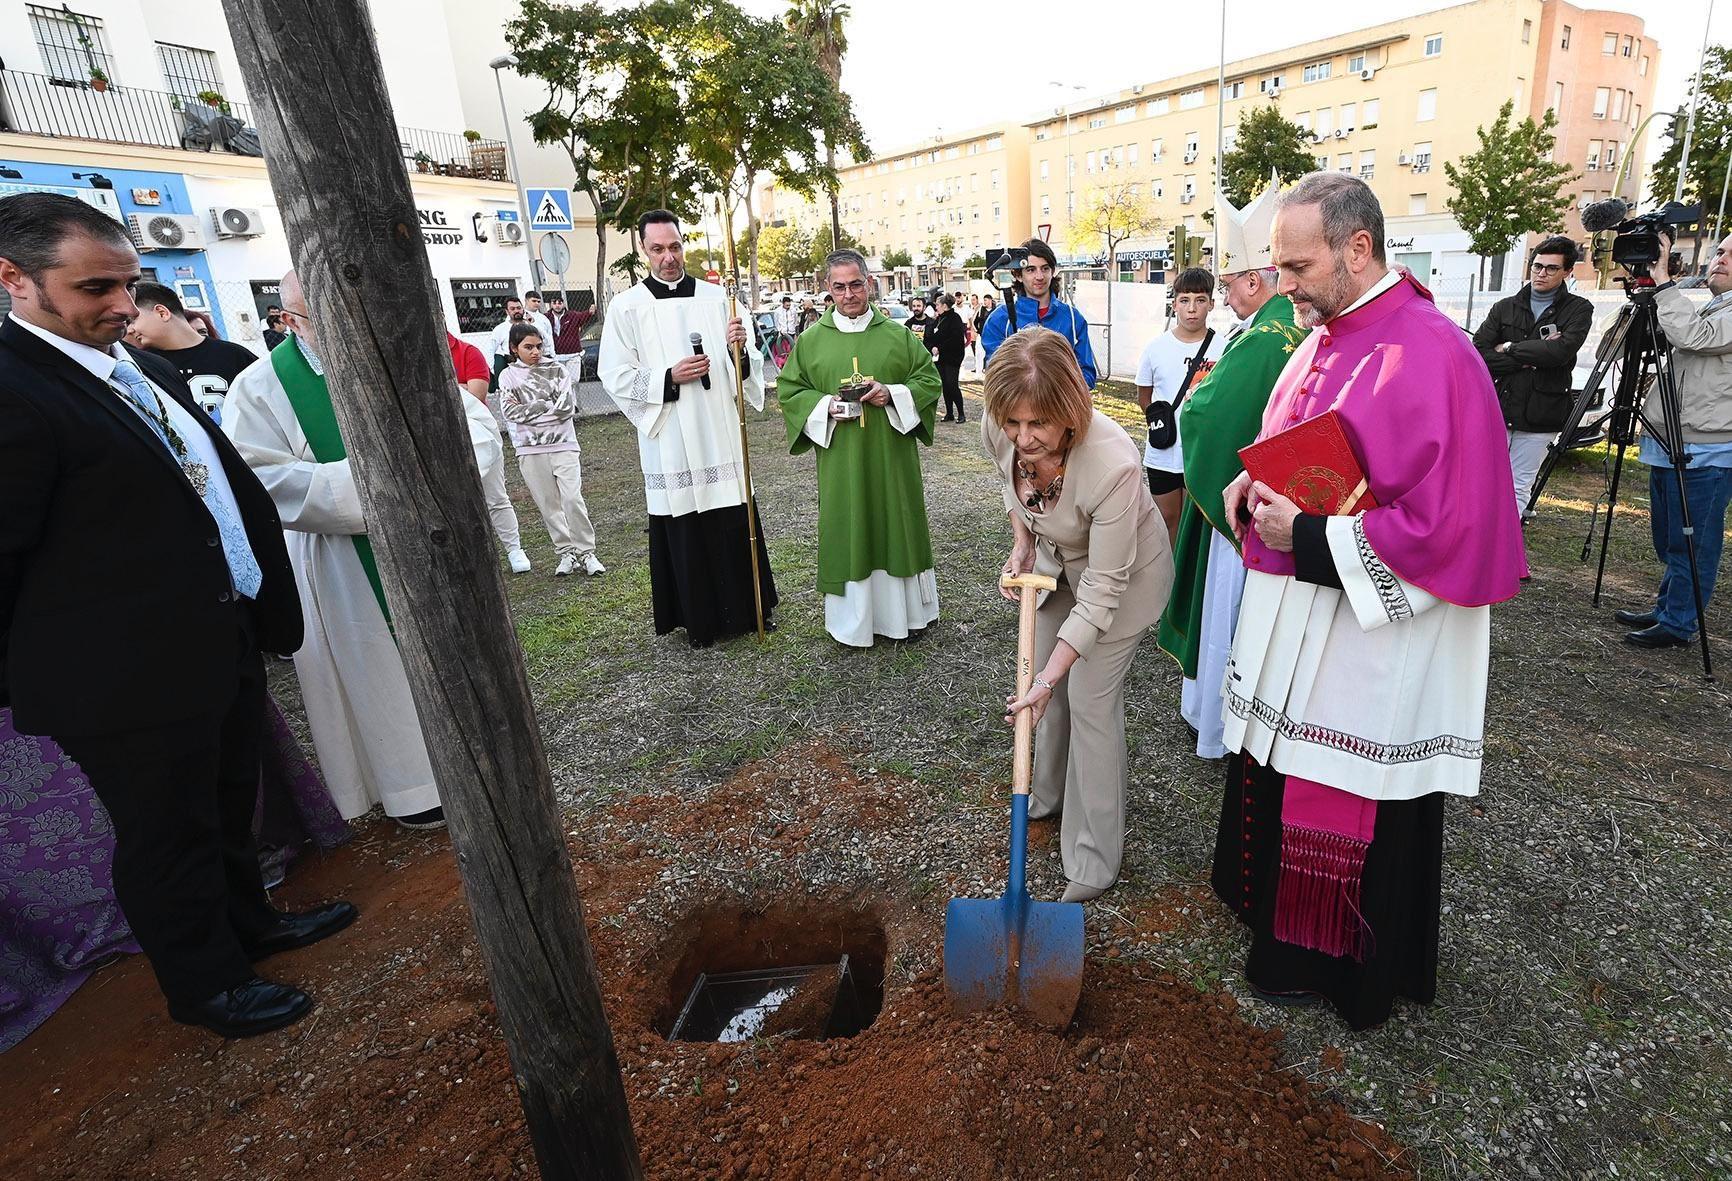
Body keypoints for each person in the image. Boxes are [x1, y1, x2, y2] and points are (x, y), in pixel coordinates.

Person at [0, 192, 354, 1038]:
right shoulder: (13, 392)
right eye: (95, 288)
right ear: (14, 279)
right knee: (166, 831)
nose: (124, 306)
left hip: (209, 634)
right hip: (118, 674)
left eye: (130, 283)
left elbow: (208, 486)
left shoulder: (134, 364)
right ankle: (207, 985)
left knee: (230, 799)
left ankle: (251, 924)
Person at [1214, 172, 1526, 1030]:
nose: (1284, 286)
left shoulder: (1438, 353)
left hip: (1374, 635)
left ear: (1359, 248)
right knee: (1283, 766)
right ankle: (1274, 922)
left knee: (1343, 779)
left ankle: (1337, 965)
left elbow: (1449, 526)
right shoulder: (1324, 331)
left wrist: (1309, 539)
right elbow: (1297, 441)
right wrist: (1252, 482)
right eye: (1276, 267)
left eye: (1297, 265)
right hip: (1305, 614)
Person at [224, 269, 505, 830]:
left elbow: (475, 428)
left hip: (433, 545)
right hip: (341, 559)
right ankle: (412, 786)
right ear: (289, 320)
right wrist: (389, 486)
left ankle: (485, 763)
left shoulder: (403, 356)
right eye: (317, 316)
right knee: (375, 668)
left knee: (457, 656)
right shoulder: (259, 387)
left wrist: (419, 482)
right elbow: (257, 480)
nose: (340, 326)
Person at [986, 330, 1173, 902]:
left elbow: (1100, 595)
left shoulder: (1112, 465)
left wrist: (1047, 682)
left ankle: (1093, 858)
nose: (1022, 438)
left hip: (1122, 579)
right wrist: (1022, 543)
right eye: (1013, 424)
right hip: (1054, 560)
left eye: (1037, 425)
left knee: (1087, 695)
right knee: (1046, 677)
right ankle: (1043, 796)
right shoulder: (1003, 425)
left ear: (1069, 412)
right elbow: (1011, 486)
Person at [1156, 184, 1306, 761]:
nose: (1223, 296)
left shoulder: (1269, 335)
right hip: (1281, 495)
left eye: (1226, 285)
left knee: (1227, 608)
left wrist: (1194, 401)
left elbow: (1209, 413)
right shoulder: (1287, 327)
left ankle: (1216, 718)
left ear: (1253, 279)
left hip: (1244, 503)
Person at [598, 209, 778, 647]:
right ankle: (699, 620)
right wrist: (666, 377)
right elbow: (615, 374)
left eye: (675, 247)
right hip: (671, 435)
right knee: (683, 521)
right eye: (658, 249)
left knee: (731, 513)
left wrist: (740, 351)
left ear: (684, 245)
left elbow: (749, 367)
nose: (668, 257)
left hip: (717, 428)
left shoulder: (719, 300)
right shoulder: (627, 307)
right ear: (644, 250)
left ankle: (750, 609)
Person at [778, 248, 942, 645]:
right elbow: (789, 390)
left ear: (869, 283)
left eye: (856, 284)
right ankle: (853, 622)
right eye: (839, 287)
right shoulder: (812, 341)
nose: (849, 294)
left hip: (892, 457)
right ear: (827, 289)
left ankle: (904, 617)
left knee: (896, 519)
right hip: (841, 461)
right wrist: (825, 407)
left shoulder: (898, 336)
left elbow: (929, 380)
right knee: (848, 523)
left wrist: (894, 394)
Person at [1617, 233, 1732, 649]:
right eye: (1720, 250)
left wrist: (1664, 284)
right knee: (1671, 537)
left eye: (1730, 255)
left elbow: (1695, 338)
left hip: (1708, 449)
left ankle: (1679, 621)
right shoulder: (1715, 304)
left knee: (1694, 541)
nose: (1720, 259)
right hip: (1672, 441)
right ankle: (1669, 606)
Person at [1473, 236, 1594, 523]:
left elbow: (1560, 353)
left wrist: (1511, 347)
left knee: (1518, 486)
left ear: (1567, 272)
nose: (1541, 273)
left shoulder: (1578, 309)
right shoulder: (1505, 307)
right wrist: (1536, 354)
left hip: (1542, 412)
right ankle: (1475, 543)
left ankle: (1503, 552)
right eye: (1537, 266)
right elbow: (1479, 353)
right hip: (1500, 407)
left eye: (1551, 268)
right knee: (1483, 482)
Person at [498, 323, 605, 577]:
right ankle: (566, 552)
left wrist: (532, 409)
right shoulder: (507, 376)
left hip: (563, 445)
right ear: (515, 348)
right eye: (528, 347)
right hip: (529, 450)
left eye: (538, 346)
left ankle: (587, 552)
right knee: (548, 504)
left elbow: (566, 408)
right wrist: (544, 405)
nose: (535, 352)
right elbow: (510, 413)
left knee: (572, 499)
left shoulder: (557, 370)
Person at [1137, 266, 1225, 541]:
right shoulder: (1156, 348)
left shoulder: (1223, 347)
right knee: (1166, 520)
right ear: (1174, 303)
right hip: (1162, 452)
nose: (1192, 309)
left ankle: (1186, 582)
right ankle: (1167, 579)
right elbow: (1145, 396)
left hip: (1199, 452)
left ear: (1211, 303)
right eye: (1184, 300)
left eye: (1200, 300)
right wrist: (1163, 424)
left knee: (1191, 523)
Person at [449, 328, 530, 574]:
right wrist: (457, 385)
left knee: (495, 496)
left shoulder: (467, 352)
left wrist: (453, 388)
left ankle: (514, 549)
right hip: (440, 439)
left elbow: (476, 394)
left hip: (479, 434)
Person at [126, 281, 260, 424]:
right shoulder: (142, 366)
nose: (130, 329)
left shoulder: (234, 355)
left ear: (162, 313)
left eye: (133, 320)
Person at [980, 239, 1097, 387]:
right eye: (1031, 270)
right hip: (1016, 408)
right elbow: (995, 376)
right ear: (1018, 275)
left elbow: (1087, 374)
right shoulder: (1000, 320)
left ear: (1052, 271)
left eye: (1045, 268)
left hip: (1061, 408)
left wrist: (1058, 395)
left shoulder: (1073, 318)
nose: (1039, 276)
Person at [925, 292, 968, 422]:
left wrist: (940, 347)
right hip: (940, 357)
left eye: (937, 305)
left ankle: (961, 413)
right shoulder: (939, 319)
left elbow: (955, 339)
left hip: (952, 356)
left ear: (944, 306)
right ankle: (949, 413)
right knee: (945, 384)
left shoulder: (955, 318)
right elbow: (933, 335)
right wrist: (932, 346)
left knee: (952, 384)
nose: (936, 307)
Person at [488, 296, 527, 390]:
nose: (516, 311)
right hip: (511, 366)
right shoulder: (500, 329)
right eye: (512, 309)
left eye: (518, 308)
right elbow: (490, 350)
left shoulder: (532, 325)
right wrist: (492, 369)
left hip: (530, 364)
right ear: (507, 311)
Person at [972, 295, 995, 374]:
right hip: (982, 334)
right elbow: (975, 321)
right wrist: (978, 331)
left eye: (986, 300)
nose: (984, 302)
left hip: (992, 335)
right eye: (984, 300)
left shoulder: (995, 310)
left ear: (990, 300)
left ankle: (989, 370)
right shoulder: (981, 310)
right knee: (979, 354)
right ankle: (979, 372)